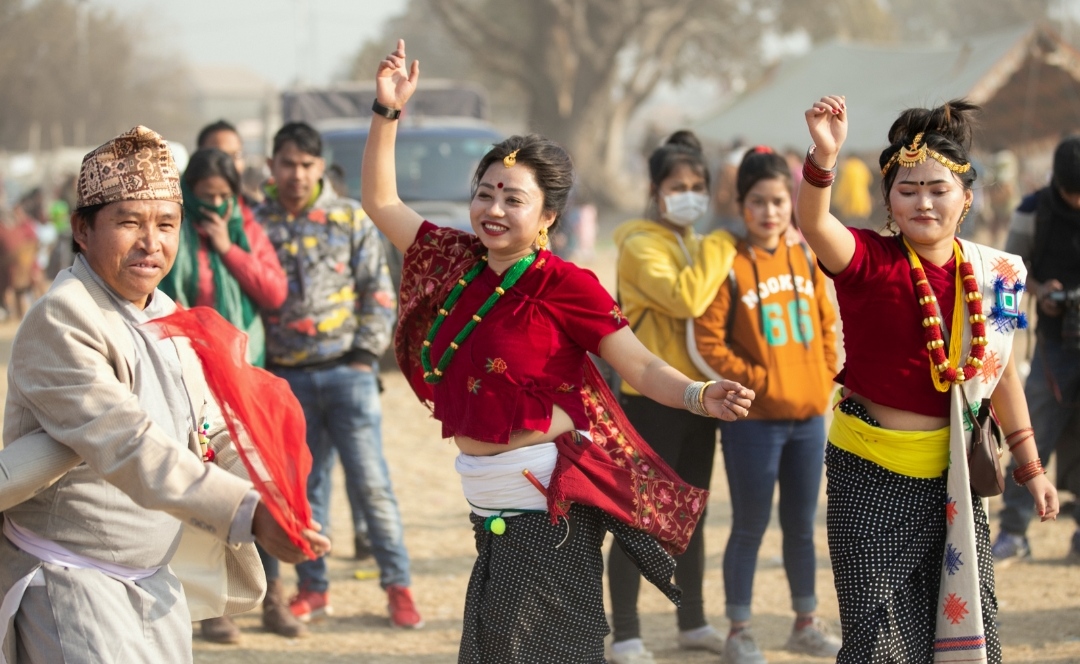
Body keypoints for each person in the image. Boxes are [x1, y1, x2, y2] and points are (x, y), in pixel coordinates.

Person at [361, 39, 756, 663]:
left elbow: (640, 365)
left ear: (548, 215)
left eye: (512, 199)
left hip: (549, 508)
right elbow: (381, 203)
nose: (492, 209)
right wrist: (387, 113)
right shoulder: (456, 260)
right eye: (485, 193)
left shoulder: (567, 284)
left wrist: (698, 395)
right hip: (490, 510)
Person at [0, 125, 329, 662]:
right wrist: (248, 514)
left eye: (166, 224)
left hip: (155, 581)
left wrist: (271, 496)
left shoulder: (165, 312)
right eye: (129, 222)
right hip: (70, 579)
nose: (152, 242)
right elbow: (128, 442)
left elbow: (215, 427)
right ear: (82, 229)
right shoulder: (63, 317)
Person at [795, 96, 1059, 663]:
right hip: (869, 475)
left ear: (966, 198)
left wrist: (1031, 466)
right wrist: (824, 156)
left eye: (938, 189)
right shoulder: (867, 259)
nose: (923, 201)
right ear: (889, 200)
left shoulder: (1001, 274)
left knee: (962, 627)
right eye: (908, 189)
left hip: (957, 477)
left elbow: (1004, 368)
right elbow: (814, 222)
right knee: (878, 640)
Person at [254, 121, 421, 628]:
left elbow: (378, 288)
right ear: (272, 167)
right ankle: (314, 588)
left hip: (348, 373)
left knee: (372, 485)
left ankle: (398, 586)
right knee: (308, 489)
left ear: (321, 167)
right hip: (287, 380)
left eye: (307, 165)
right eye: (287, 164)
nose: (297, 175)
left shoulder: (350, 218)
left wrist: (364, 357)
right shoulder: (257, 223)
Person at [692, 146, 841, 663]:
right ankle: (740, 630)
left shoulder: (805, 255)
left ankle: (805, 622)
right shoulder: (728, 262)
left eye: (780, 201)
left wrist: (821, 377)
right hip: (752, 421)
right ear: (741, 203)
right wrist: (761, 381)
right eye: (759, 201)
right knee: (750, 525)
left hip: (808, 419)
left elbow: (826, 325)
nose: (771, 212)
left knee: (802, 524)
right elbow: (708, 342)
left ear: (793, 202)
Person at [157, 147, 298, 642]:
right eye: (207, 196)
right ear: (189, 195)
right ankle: (212, 605)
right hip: (189, 376)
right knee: (205, 486)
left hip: (245, 376)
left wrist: (227, 247)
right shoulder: (173, 229)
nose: (216, 205)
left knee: (262, 482)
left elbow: (274, 292)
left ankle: (274, 597)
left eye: (224, 196)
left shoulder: (242, 227)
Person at [606, 130, 737, 663]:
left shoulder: (691, 241)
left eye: (697, 185)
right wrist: (724, 241)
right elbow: (686, 298)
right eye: (677, 185)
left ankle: (693, 621)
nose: (689, 194)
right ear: (655, 191)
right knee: (640, 518)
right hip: (650, 400)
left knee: (693, 515)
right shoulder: (639, 245)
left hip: (698, 399)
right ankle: (629, 634)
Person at [992, 136, 1080, 563]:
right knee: (1033, 432)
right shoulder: (1033, 212)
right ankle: (1012, 530)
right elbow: (1007, 276)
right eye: (1072, 194)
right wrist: (1041, 291)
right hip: (1052, 344)